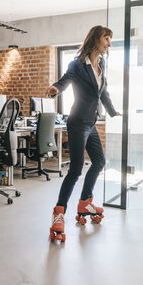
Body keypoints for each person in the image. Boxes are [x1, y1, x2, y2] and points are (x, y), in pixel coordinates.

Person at [47, 25, 121, 243]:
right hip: (78, 122)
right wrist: (55, 89)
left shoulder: (101, 64)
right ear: (96, 39)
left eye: (109, 39)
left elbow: (103, 91)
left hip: (91, 122)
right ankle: (58, 213)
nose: (108, 43)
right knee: (76, 169)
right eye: (106, 38)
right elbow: (65, 80)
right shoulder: (77, 64)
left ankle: (85, 202)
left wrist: (113, 112)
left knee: (99, 162)